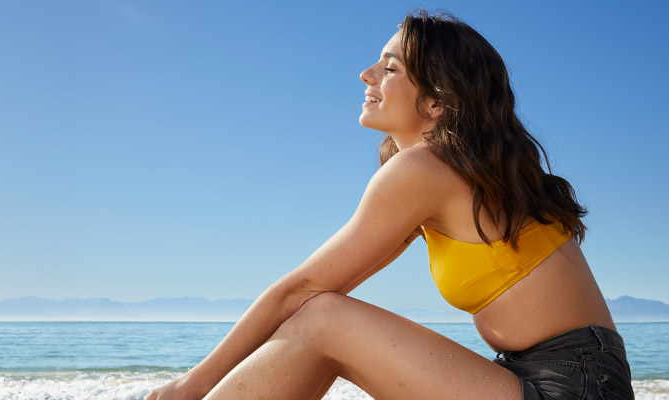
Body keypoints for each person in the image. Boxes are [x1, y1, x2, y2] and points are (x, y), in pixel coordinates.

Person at [145, 8, 633, 400]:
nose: (366, 74)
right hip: (568, 378)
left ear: (438, 101)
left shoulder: (425, 169)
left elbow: (302, 292)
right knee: (322, 319)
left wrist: (193, 385)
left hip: (569, 385)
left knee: (323, 319)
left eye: (391, 67)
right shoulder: (455, 171)